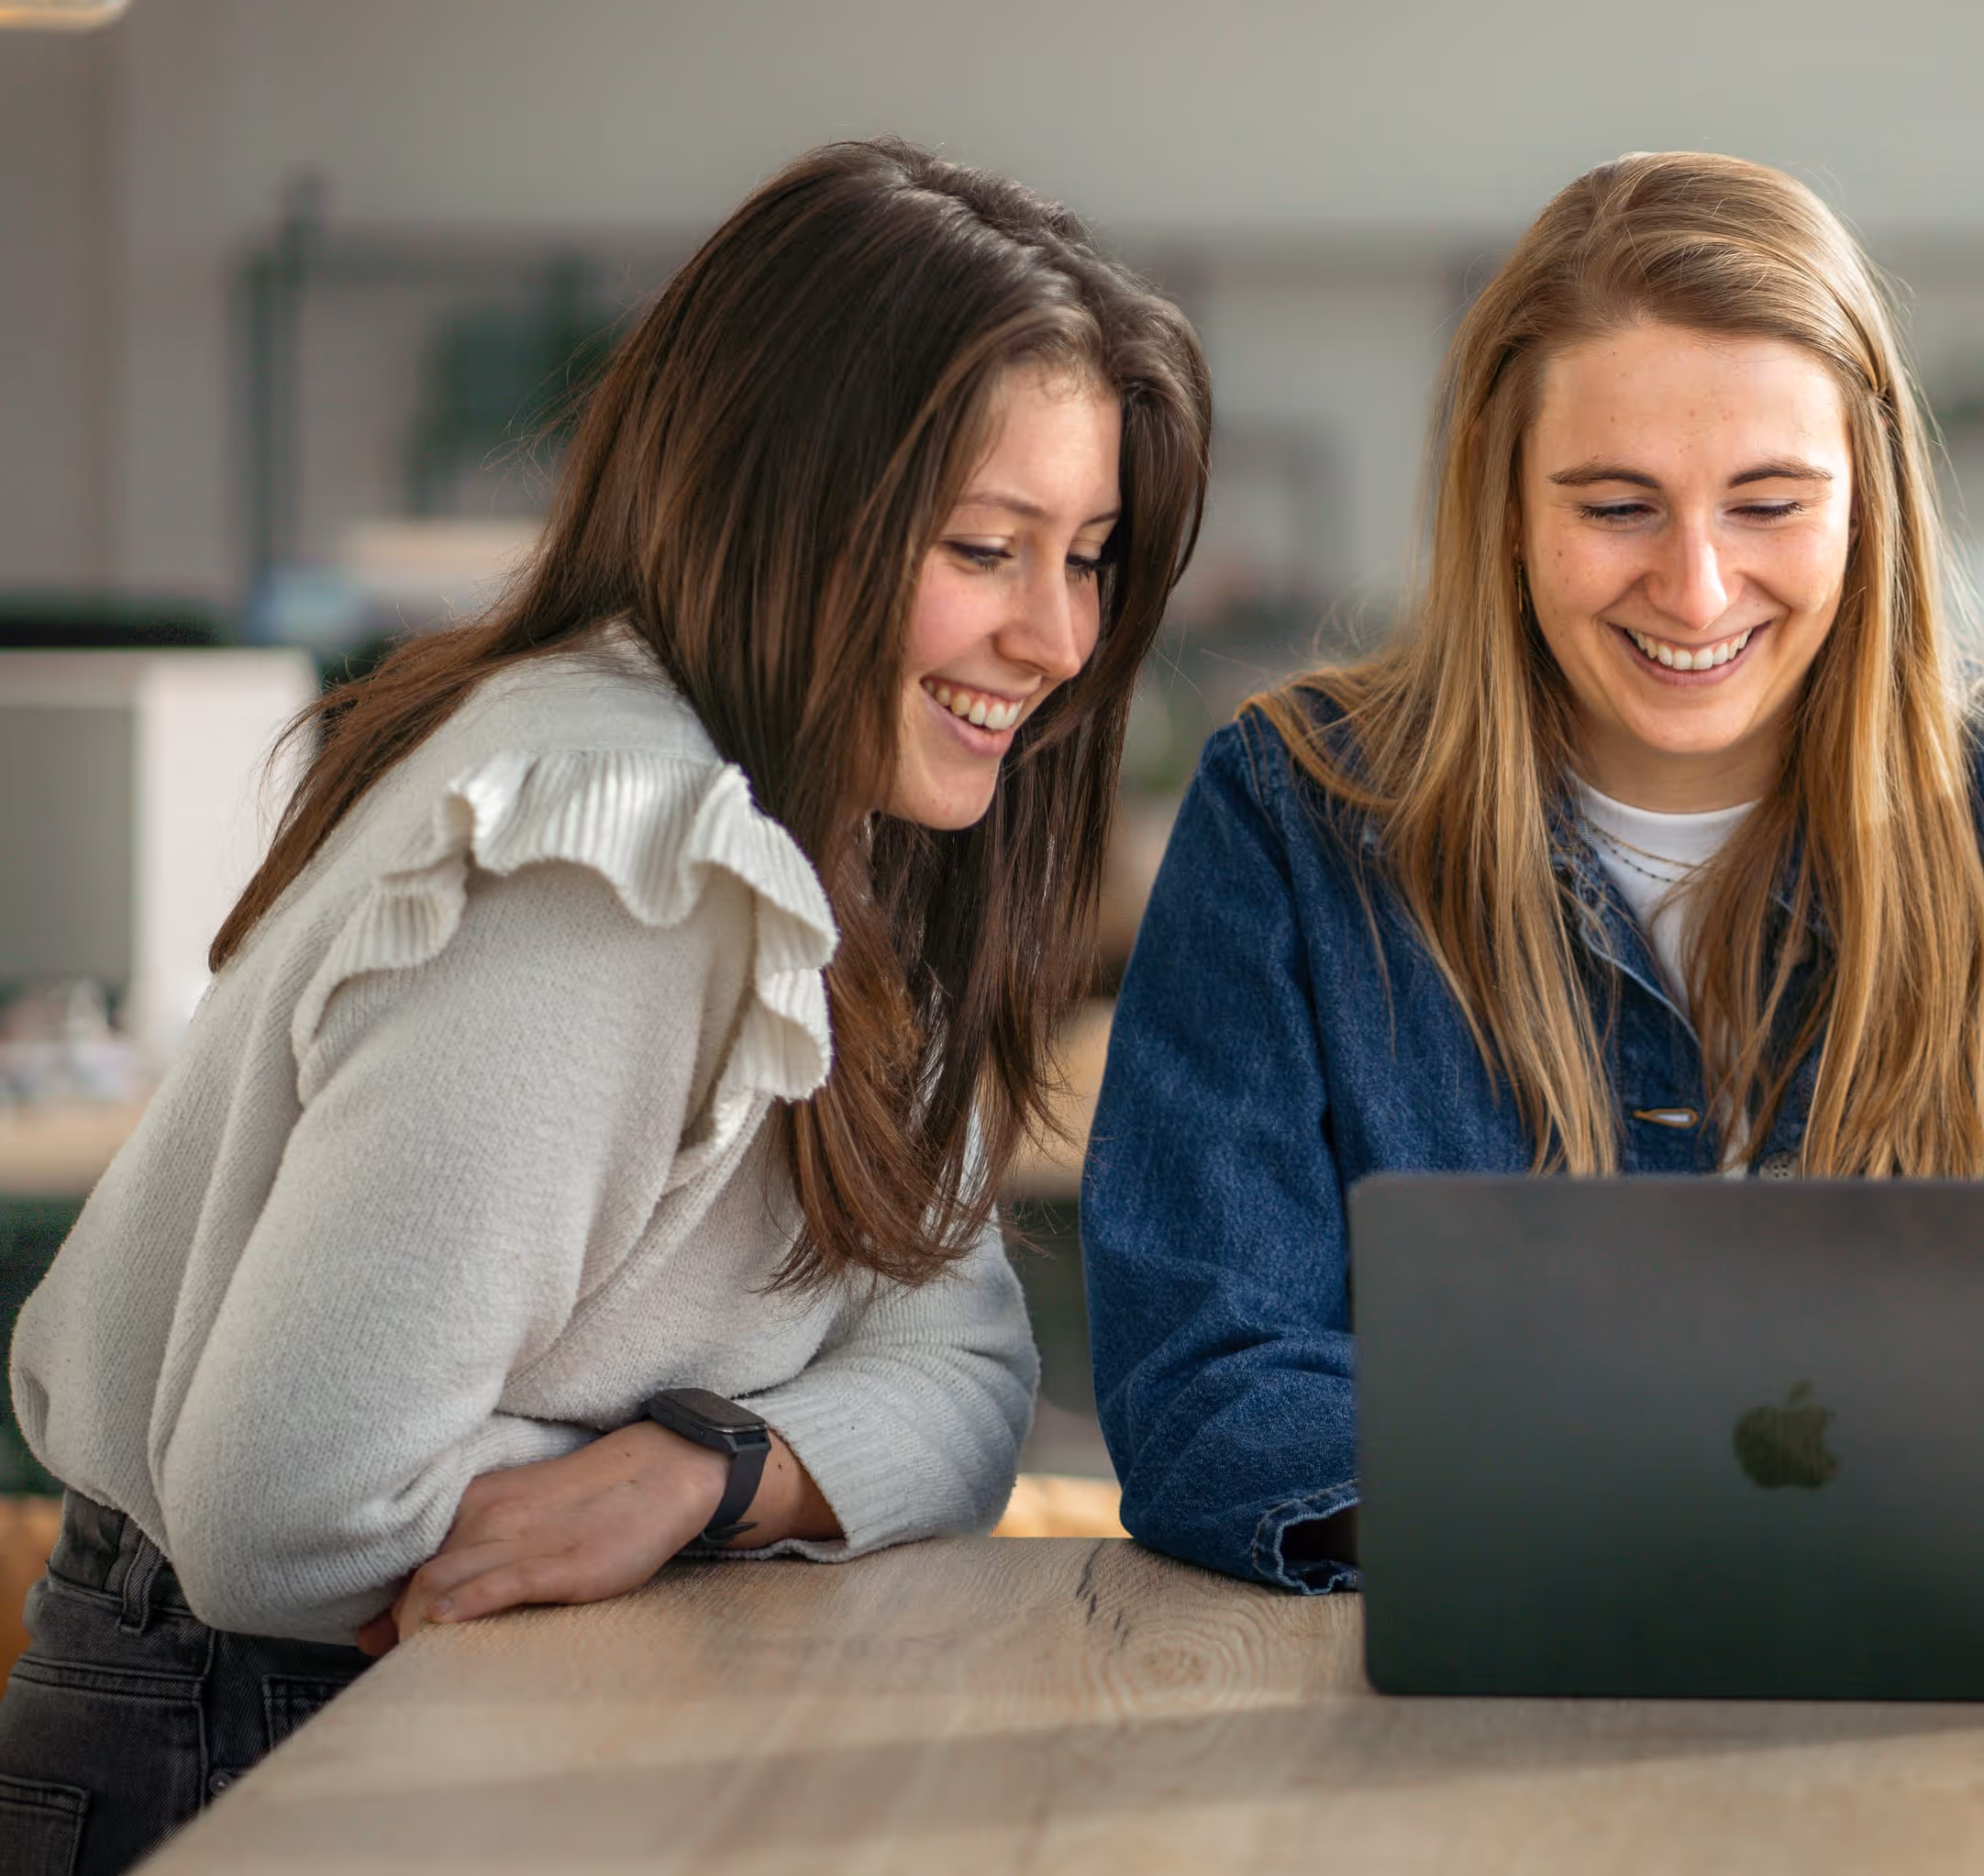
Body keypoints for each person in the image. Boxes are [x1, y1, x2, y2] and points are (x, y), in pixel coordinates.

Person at [0, 140, 1211, 1872]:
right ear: (784, 515)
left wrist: (697, 1473)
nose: (1060, 636)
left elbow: (963, 1372)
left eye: (1085, 557)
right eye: (985, 548)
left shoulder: (820, 818)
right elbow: (295, 1521)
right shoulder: (624, 863)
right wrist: (776, 1439)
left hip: (452, 1708)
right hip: (251, 1737)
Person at [1082, 150, 1984, 1606]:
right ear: (1503, 504)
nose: (1699, 591)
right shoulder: (1292, 822)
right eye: (1617, 507)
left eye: (1769, 503)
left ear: (1866, 501)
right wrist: (1677, 1506)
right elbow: (1201, 1378)